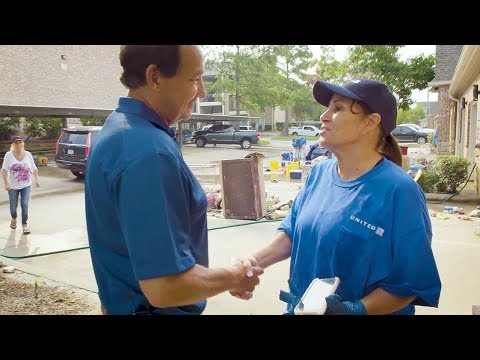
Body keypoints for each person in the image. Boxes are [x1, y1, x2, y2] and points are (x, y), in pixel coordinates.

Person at [233, 78, 441, 315]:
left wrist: (357, 309)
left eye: (338, 108)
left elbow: (409, 283)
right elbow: (292, 235)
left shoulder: (400, 190)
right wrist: (250, 265)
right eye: (328, 107)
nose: (324, 116)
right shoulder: (319, 173)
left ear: (370, 123)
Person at [85, 45, 263, 315]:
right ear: (154, 77)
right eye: (194, 79)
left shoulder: (121, 127)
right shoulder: (148, 152)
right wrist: (235, 276)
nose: (201, 91)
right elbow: (166, 287)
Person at [2, 135, 40, 235]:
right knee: (13, 207)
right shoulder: (8, 155)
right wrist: (6, 183)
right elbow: (4, 170)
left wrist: (36, 179)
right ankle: (14, 218)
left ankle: (25, 225)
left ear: (22, 143)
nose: (18, 144)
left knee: (24, 204)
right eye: (16, 143)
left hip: (26, 185)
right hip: (12, 186)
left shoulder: (28, 154)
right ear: (13, 144)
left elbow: (34, 168)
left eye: (20, 142)